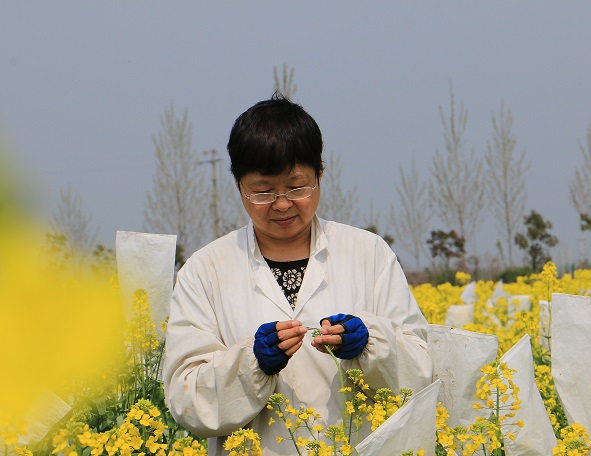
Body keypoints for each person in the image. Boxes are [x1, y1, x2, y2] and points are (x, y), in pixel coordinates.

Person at [163, 94, 433, 455]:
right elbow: (185, 400)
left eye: (297, 186)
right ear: (239, 186)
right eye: (263, 191)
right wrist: (252, 363)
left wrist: (371, 345)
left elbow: (421, 374)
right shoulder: (205, 270)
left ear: (320, 174)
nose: (282, 203)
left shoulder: (368, 254)